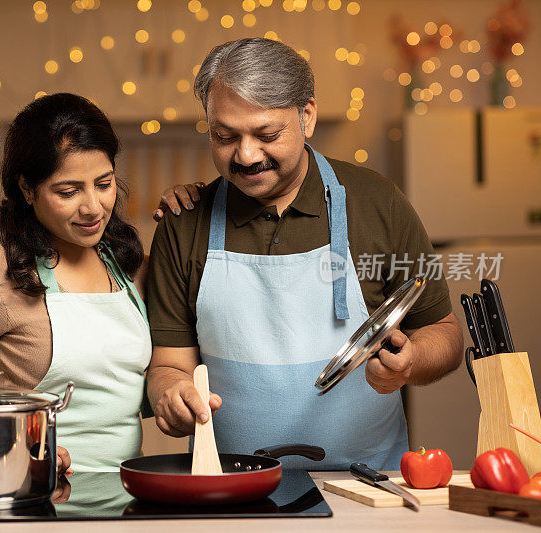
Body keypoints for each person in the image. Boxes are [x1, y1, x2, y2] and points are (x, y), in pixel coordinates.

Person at [146, 38, 464, 470]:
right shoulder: (183, 223)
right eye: (224, 136)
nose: (245, 155)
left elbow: (443, 331)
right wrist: (171, 396)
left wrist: (412, 361)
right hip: (231, 488)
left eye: (266, 134)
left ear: (306, 116)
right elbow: (169, 364)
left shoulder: (377, 203)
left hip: (367, 485)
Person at [0, 93, 196, 474]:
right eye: (68, 192)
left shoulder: (123, 261)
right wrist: (7, 450)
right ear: (26, 189)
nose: (92, 207)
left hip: (121, 499)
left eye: (103, 184)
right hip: (28, 501)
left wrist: (201, 205)